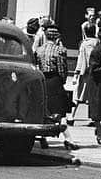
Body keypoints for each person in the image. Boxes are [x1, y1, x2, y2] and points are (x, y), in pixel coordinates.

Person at [35, 23, 77, 151]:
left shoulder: (39, 50)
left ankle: (43, 138)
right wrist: (62, 81)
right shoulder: (60, 51)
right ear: (57, 37)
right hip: (55, 81)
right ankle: (68, 139)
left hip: (43, 80)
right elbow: (62, 69)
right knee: (60, 112)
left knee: (45, 110)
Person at [70, 22, 98, 126]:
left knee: (77, 96)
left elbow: (80, 60)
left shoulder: (84, 44)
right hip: (95, 73)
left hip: (85, 74)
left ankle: (72, 116)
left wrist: (76, 74)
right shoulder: (98, 43)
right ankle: (93, 118)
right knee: (92, 97)